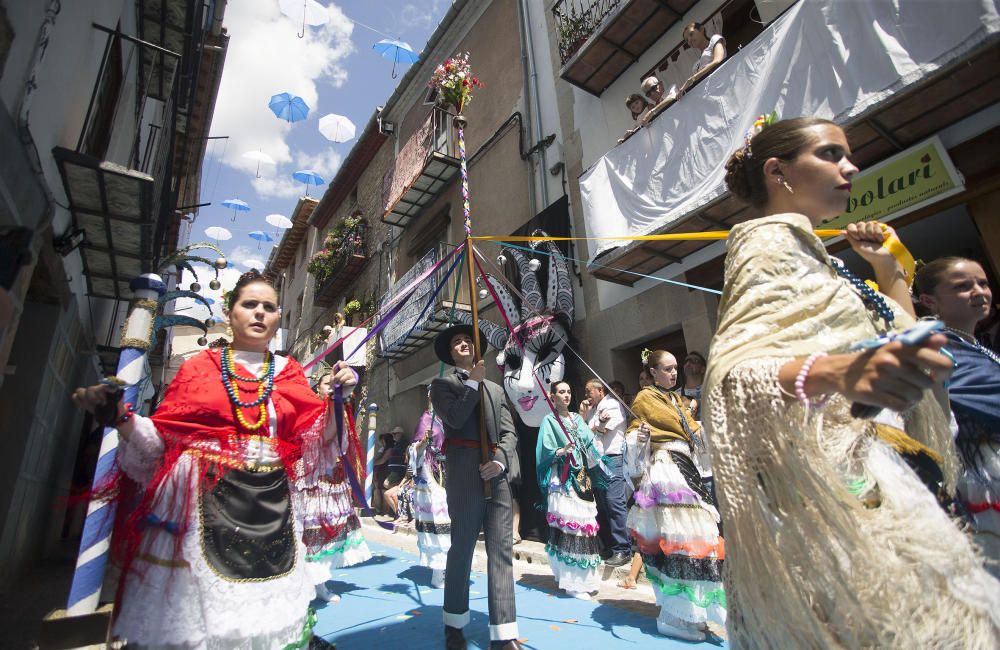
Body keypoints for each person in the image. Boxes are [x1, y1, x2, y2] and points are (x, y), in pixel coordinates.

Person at [704, 116, 1000, 647]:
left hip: (886, 476)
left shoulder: (820, 258)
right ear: (779, 172)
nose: (851, 167)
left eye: (848, 155)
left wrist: (888, 267)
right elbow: (733, 377)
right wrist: (838, 372)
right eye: (831, 154)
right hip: (837, 493)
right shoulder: (765, 245)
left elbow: (906, 335)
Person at [70, 270, 356, 647]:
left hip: (270, 509)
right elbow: (160, 443)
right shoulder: (199, 367)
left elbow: (320, 440)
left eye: (269, 308)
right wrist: (120, 418)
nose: (259, 314)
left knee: (259, 627)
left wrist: (339, 397)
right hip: (195, 509)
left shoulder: (288, 372)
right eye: (249, 304)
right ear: (230, 311)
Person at [430, 323, 521, 650]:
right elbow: (453, 418)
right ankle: (454, 624)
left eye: (468, 339)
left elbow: (510, 433)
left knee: (502, 552)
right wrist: (473, 383)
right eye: (457, 341)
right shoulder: (441, 385)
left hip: (495, 474)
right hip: (463, 472)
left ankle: (504, 633)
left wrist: (499, 460)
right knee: (462, 548)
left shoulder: (496, 390)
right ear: (451, 352)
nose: (464, 344)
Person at [625, 349, 726, 641]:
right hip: (667, 470)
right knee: (679, 539)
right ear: (652, 372)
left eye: (674, 369)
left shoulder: (677, 401)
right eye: (666, 369)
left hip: (687, 469)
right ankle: (671, 616)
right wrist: (639, 437)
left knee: (699, 538)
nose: (673, 374)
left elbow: (696, 433)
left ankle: (690, 612)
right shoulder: (645, 398)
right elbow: (633, 435)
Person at [914, 257, 1000, 575]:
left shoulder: (974, 346)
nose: (979, 291)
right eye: (963, 287)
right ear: (929, 301)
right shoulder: (937, 346)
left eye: (983, 283)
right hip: (982, 478)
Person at [299, 366, 372, 603]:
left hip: (335, 483)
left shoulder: (342, 411)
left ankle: (319, 582)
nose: (331, 386)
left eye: (334, 383)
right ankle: (311, 584)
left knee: (331, 534)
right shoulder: (313, 413)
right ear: (317, 389)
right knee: (313, 537)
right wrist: (335, 400)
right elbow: (327, 436)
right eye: (326, 384)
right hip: (315, 484)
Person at [537, 381, 605, 599]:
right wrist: (561, 450)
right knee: (570, 529)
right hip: (563, 478)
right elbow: (544, 450)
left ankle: (581, 578)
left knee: (584, 527)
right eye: (561, 392)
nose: (566, 396)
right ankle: (571, 581)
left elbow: (589, 441)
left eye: (568, 392)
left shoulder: (576, 418)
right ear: (552, 396)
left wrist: (593, 431)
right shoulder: (549, 420)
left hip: (581, 475)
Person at [578, 378, 630, 567]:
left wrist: (591, 427)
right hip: (595, 462)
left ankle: (623, 549)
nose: (586, 396)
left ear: (600, 390)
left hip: (611, 458)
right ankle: (609, 545)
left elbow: (601, 430)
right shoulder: (591, 410)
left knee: (614, 502)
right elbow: (583, 434)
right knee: (602, 505)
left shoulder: (612, 404)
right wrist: (586, 420)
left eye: (589, 391)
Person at [411, 392, 452, 588]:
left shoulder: (448, 419)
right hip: (430, 475)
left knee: (451, 520)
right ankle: (438, 570)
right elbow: (413, 450)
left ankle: (448, 566)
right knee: (439, 520)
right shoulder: (426, 419)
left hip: (449, 472)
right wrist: (422, 443)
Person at [678, 22, 726, 96]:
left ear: (701, 29)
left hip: (724, 85)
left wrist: (691, 79)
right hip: (710, 95)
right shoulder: (696, 65)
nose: (689, 40)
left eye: (691, 34)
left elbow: (718, 59)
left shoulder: (714, 39)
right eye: (687, 40)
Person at [371, 431, 396, 514]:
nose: (382, 443)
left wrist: (371, 464)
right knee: (379, 490)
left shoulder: (390, 449)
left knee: (383, 490)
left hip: (385, 471)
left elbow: (382, 460)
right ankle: (380, 509)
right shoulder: (385, 449)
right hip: (380, 471)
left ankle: (385, 511)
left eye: (383, 441)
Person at [679, 351, 706, 418]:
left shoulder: (711, 390)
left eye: (695, 361)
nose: (689, 363)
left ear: (703, 369)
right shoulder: (676, 395)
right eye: (686, 361)